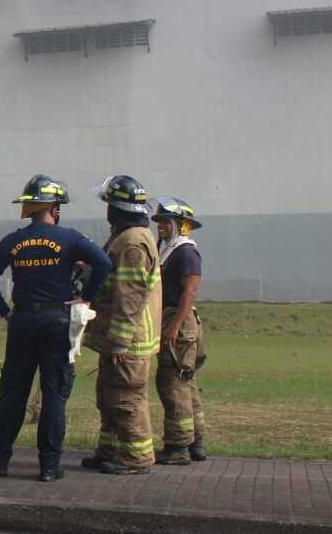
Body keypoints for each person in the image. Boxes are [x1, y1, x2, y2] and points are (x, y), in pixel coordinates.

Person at [0, 174, 111, 482]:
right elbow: (103, 264)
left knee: (13, 392)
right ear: (55, 207)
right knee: (54, 393)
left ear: (29, 207)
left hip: (22, 321)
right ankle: (49, 466)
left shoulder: (13, 241)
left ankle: (0, 461)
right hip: (57, 322)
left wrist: (4, 312)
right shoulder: (70, 238)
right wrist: (85, 298)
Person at [83, 174, 163, 475]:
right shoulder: (126, 237)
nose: (106, 210)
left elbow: (129, 297)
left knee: (126, 398)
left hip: (129, 340)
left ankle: (137, 457)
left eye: (107, 204)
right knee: (108, 396)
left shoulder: (132, 242)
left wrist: (118, 341)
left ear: (117, 208)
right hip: (119, 338)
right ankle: (111, 450)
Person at [151, 197, 208, 464]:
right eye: (159, 221)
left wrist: (173, 326)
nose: (160, 225)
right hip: (173, 319)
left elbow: (190, 291)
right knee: (186, 383)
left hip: (179, 323)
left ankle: (178, 447)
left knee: (172, 383)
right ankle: (196, 442)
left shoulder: (186, 251)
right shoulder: (170, 249)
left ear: (180, 225)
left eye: (165, 221)